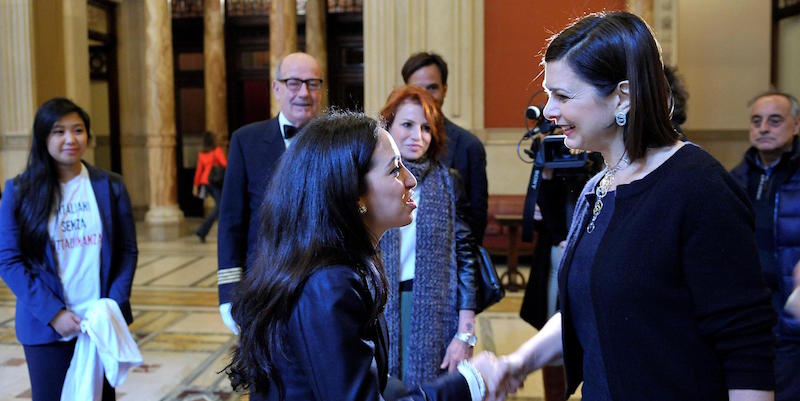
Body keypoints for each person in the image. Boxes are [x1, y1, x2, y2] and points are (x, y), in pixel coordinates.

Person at [488, 12, 776, 401]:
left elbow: (747, 347)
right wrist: (519, 362)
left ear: (622, 96)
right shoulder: (597, 187)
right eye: (548, 95)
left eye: (563, 96)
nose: (549, 112)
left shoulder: (699, 187)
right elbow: (591, 306)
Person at [225, 111, 501, 401]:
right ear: (354, 193)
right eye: (395, 169)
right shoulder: (330, 283)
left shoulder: (340, 263)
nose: (410, 180)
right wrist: (469, 382)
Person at [0, 97, 138, 401]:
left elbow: (127, 251)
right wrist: (54, 313)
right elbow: (9, 261)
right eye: (58, 131)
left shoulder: (110, 186)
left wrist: (111, 305)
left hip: (100, 322)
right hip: (47, 328)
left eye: (77, 130)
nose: (70, 139)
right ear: (43, 137)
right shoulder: (19, 191)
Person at [378, 85, 479, 388]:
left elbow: (466, 257)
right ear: (388, 127)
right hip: (380, 303)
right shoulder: (370, 181)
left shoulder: (448, 184)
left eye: (426, 128)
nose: (417, 136)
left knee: (428, 391)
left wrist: (466, 331)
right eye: (407, 125)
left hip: (433, 309)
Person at [216, 52, 323, 334]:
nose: (304, 92)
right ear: (276, 88)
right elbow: (231, 222)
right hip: (263, 288)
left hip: (323, 288)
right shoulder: (246, 141)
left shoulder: (337, 143)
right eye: (294, 83)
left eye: (313, 83)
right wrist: (228, 293)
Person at [730, 90, 800, 401]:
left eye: (775, 121)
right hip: (750, 313)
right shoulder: (734, 179)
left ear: (796, 125)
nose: (764, 128)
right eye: (757, 121)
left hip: (794, 311)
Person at [402, 52, 488, 243]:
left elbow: (476, 223)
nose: (425, 95)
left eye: (432, 88)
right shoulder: (390, 145)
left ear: (445, 89)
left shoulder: (469, 146)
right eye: (417, 88)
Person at [192, 131, 227, 243]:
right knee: (220, 206)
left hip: (205, 182)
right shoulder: (216, 151)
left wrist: (195, 185)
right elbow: (224, 163)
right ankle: (203, 229)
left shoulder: (202, 154)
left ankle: (203, 230)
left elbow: (199, 171)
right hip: (215, 181)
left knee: (220, 206)